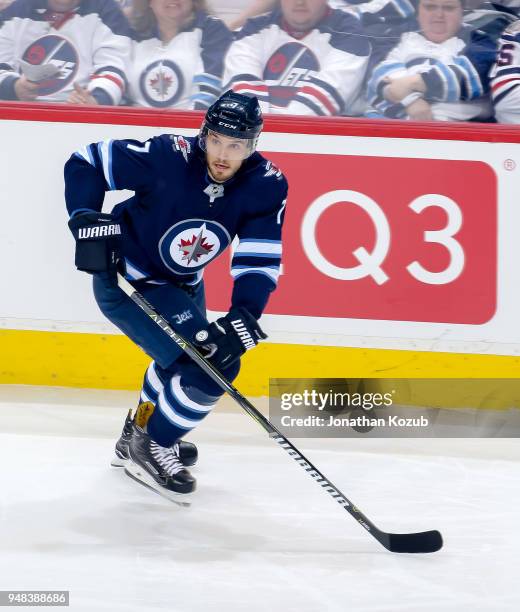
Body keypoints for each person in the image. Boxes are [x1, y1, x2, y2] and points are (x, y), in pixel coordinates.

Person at [64, 91, 288, 502]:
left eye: (237, 145)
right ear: (204, 134)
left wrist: (244, 315)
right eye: (217, 140)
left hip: (184, 285)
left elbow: (258, 260)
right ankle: (153, 446)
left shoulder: (266, 185)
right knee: (211, 368)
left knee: (180, 365)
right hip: (129, 283)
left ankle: (142, 430)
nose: (223, 154)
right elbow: (86, 162)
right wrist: (84, 217)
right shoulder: (167, 155)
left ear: (254, 145)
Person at [222, 0, 371, 116]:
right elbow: (241, 94)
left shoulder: (349, 34)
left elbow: (315, 108)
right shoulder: (254, 29)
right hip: (252, 138)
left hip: (319, 145)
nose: (300, 2)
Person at [366, 0, 497, 121]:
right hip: (385, 127)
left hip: (454, 135)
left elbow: (471, 74)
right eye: (430, 7)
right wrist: (411, 101)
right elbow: (378, 73)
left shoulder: (478, 41)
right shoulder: (399, 37)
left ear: (462, 12)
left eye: (448, 8)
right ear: (418, 12)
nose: (439, 15)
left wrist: (416, 83)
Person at [0, 0, 132, 104]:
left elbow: (114, 69)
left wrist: (95, 100)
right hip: (20, 118)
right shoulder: (14, 13)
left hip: (80, 120)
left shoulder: (107, 12)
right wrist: (14, 87)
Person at [125, 0, 232, 110]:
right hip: (133, 124)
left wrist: (186, 124)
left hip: (193, 123)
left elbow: (210, 93)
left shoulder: (212, 30)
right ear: (149, 2)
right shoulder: (131, 36)